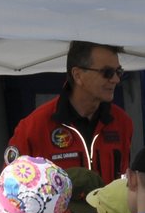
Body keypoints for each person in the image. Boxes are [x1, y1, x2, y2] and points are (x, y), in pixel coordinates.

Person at [7, 42, 135, 183]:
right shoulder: (33, 128)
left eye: (119, 72)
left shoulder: (122, 123)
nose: (116, 79)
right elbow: (11, 190)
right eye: (107, 73)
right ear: (78, 75)